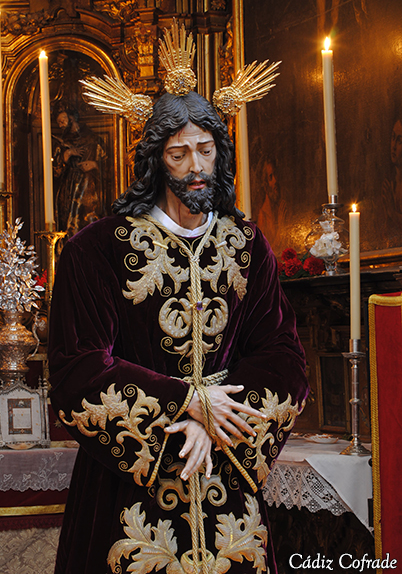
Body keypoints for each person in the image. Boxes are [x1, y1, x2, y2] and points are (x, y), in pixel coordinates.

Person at [48, 88, 308, 574]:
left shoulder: (246, 246)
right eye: (179, 154)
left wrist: (212, 421)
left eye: (205, 151)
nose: (196, 167)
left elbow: (283, 355)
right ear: (155, 160)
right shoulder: (97, 249)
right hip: (127, 493)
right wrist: (184, 403)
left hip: (225, 477)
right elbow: (76, 367)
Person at [53, 108, 107, 237]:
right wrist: (67, 154)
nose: (60, 125)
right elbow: (55, 171)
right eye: (58, 122)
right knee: (68, 222)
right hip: (68, 188)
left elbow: (110, 165)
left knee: (88, 221)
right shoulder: (62, 144)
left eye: (62, 120)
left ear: (72, 118)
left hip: (88, 186)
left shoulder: (93, 139)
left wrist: (95, 165)